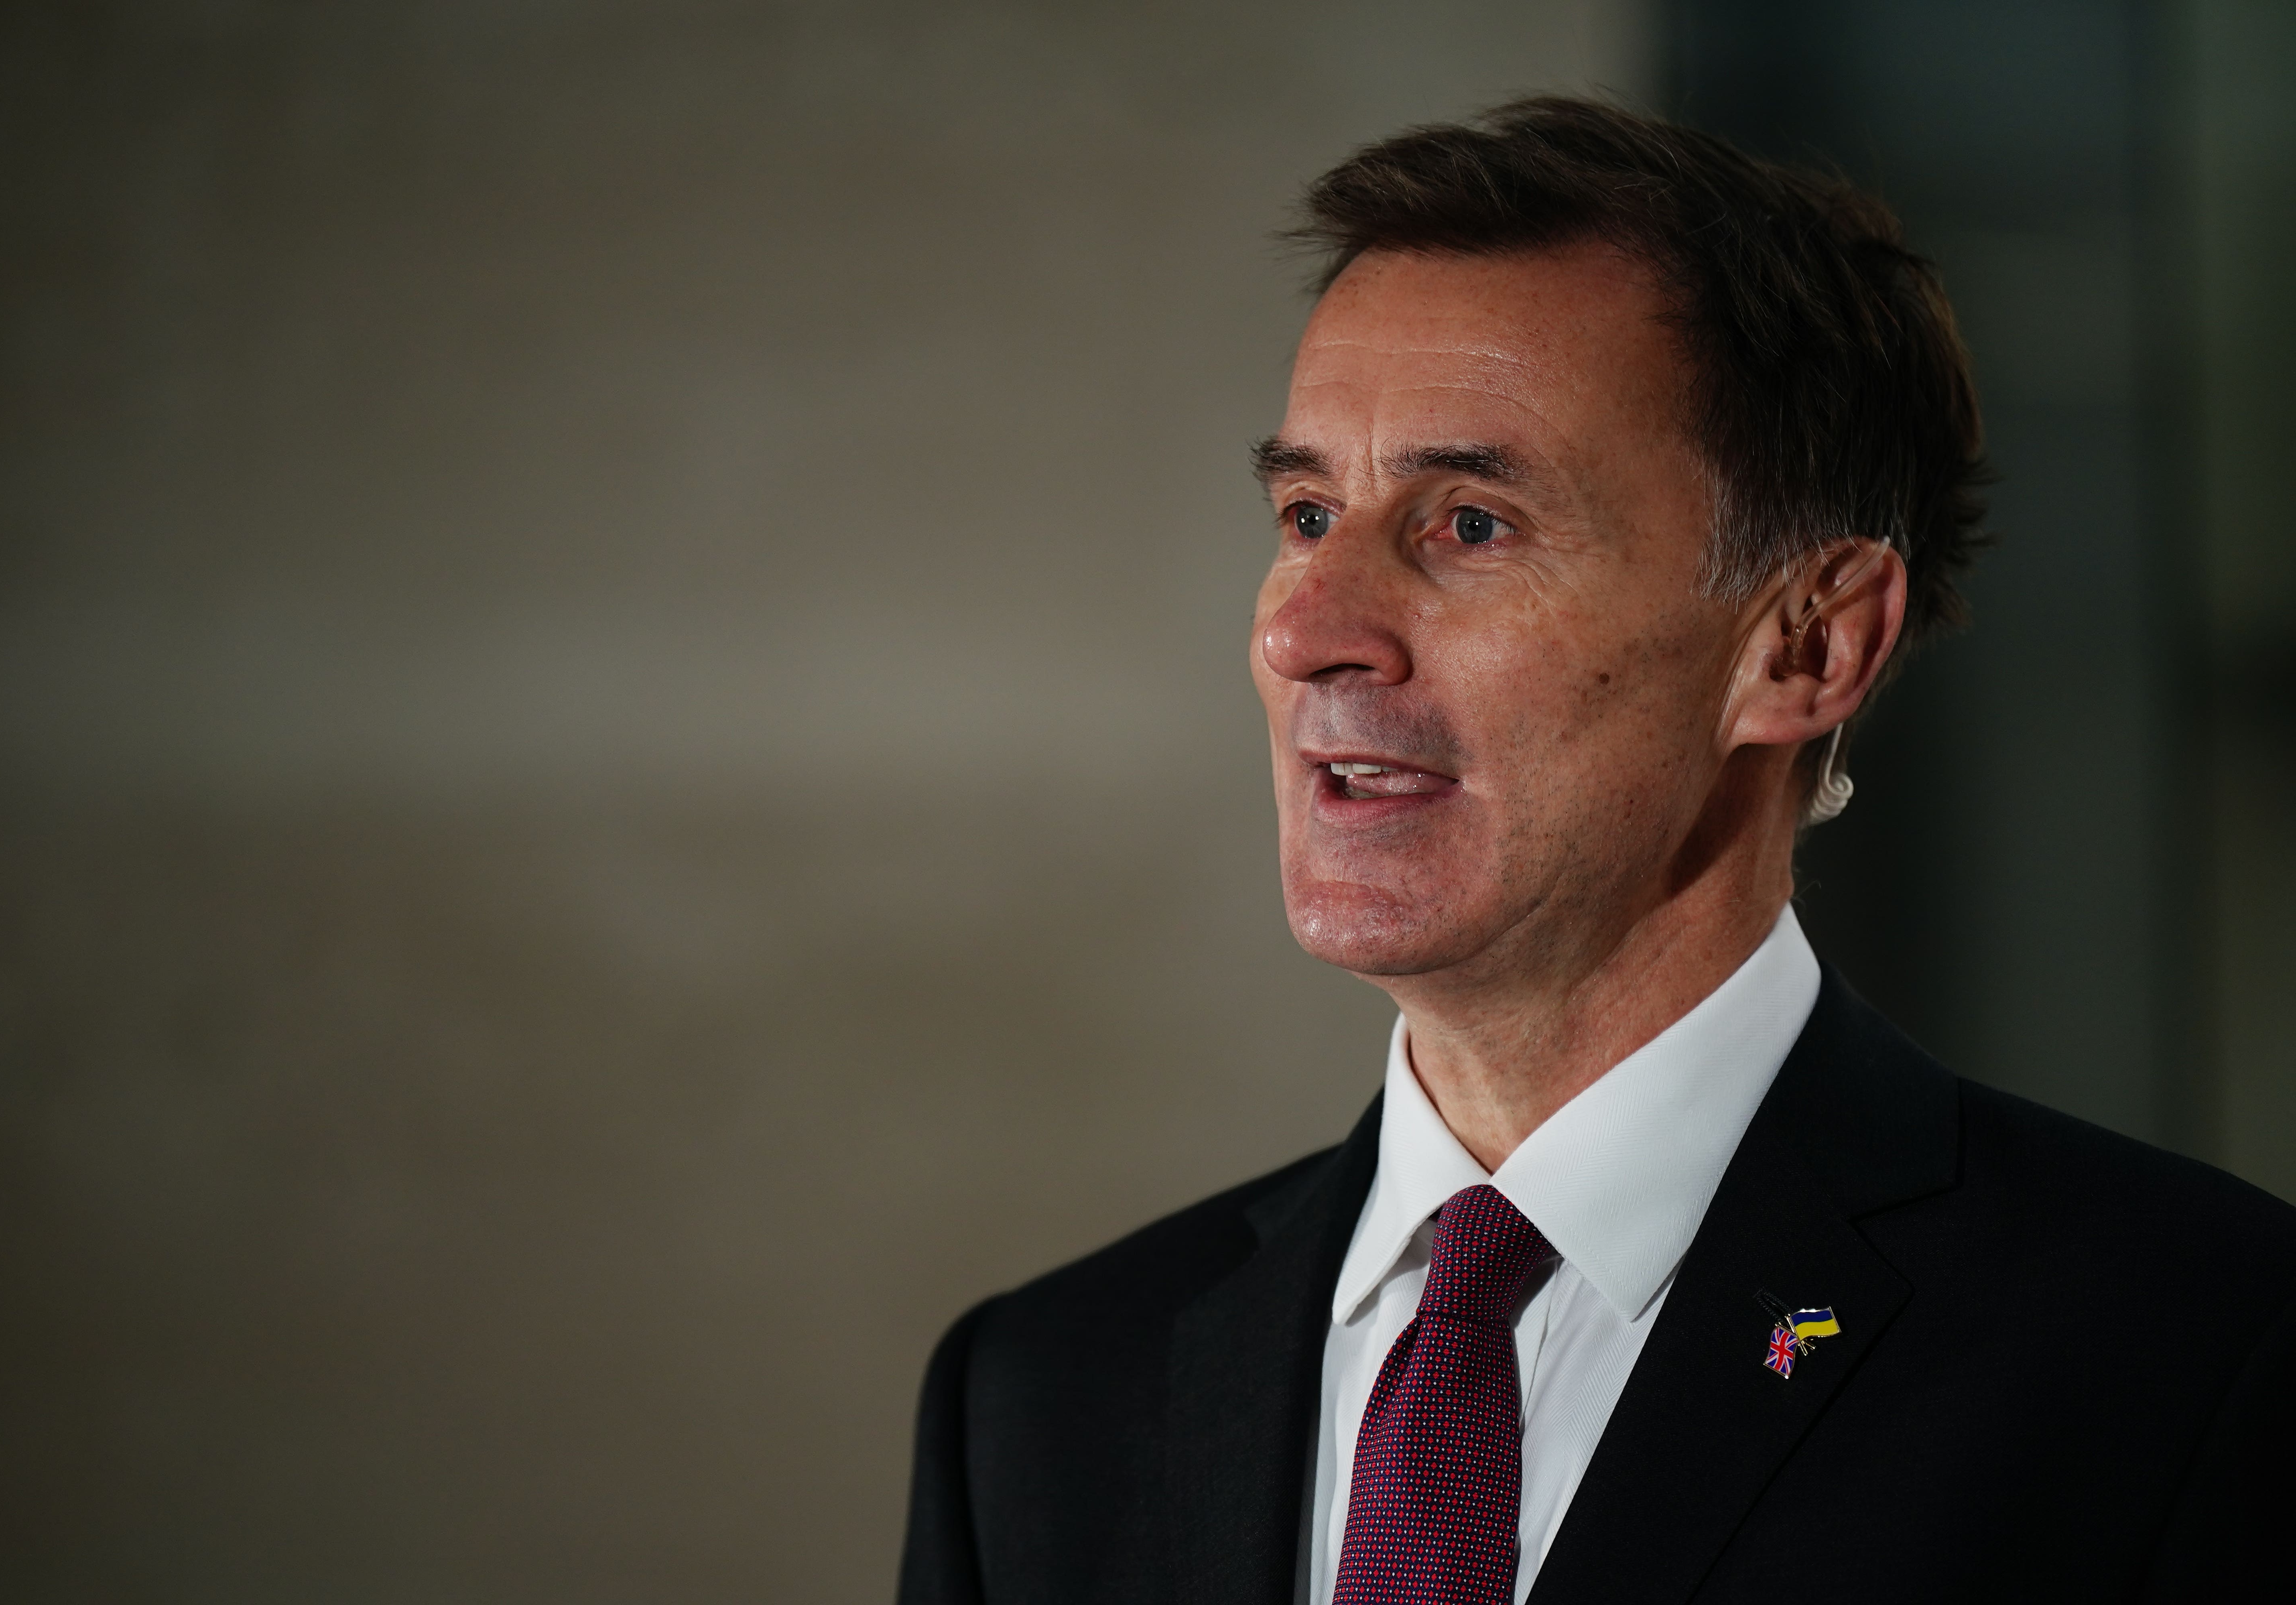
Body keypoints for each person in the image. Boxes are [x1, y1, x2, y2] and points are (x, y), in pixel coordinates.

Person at [896, 98, 2294, 1604]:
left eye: (1472, 525)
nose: (1306, 630)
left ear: (1807, 644)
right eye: (1307, 513)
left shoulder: (2194, 1351)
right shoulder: (1043, 1398)